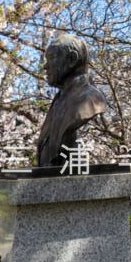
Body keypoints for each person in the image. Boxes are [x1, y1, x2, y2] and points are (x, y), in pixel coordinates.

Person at [36, 34, 108, 166]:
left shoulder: (90, 99)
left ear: (72, 60)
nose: (45, 67)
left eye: (51, 58)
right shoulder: (58, 101)